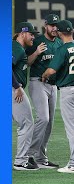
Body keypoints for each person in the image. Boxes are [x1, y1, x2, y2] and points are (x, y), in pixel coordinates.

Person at [42, 20, 74, 173]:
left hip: (69, 91)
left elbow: (50, 71)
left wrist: (43, 75)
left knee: (72, 128)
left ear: (60, 33)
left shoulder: (63, 49)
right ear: (72, 31)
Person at [25, 14, 62, 169]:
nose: (54, 28)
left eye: (56, 25)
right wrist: (36, 53)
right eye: (51, 25)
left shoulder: (60, 43)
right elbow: (26, 62)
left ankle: (41, 157)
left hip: (53, 86)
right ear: (45, 26)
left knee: (50, 123)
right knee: (43, 118)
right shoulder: (38, 41)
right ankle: (29, 155)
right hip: (38, 82)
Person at [12, 22, 40, 171]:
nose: (33, 38)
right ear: (22, 33)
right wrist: (17, 87)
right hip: (13, 90)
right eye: (31, 34)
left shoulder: (18, 48)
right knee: (27, 123)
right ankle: (21, 161)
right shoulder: (16, 48)